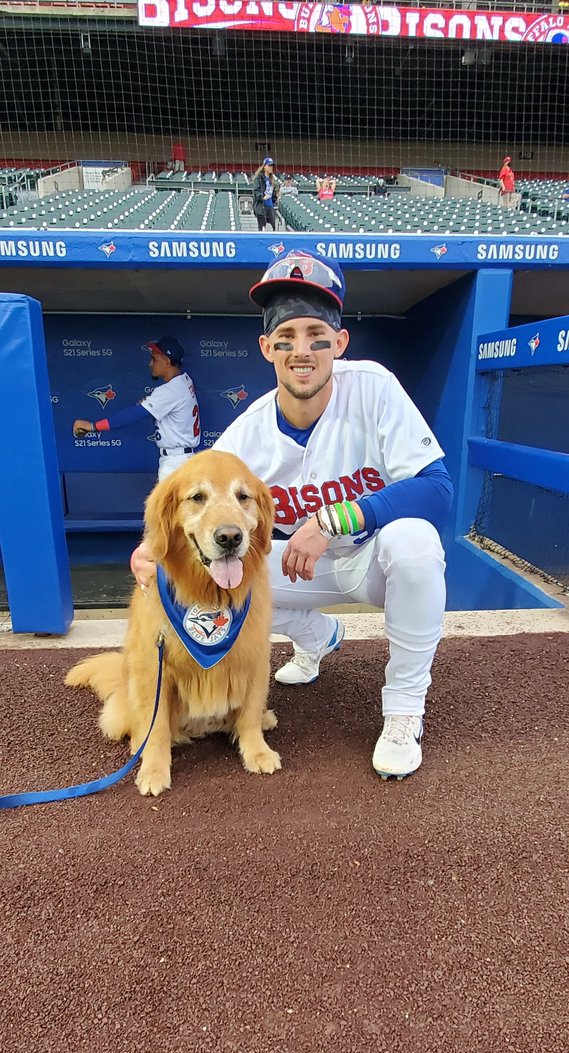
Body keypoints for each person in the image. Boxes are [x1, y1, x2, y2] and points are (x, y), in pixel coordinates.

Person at [131, 251, 453, 781]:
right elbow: (186, 509)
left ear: (340, 342)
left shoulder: (372, 386)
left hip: (371, 559)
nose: (301, 350)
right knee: (225, 577)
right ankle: (317, 636)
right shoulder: (248, 433)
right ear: (267, 348)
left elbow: (438, 491)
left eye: (316, 334)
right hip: (308, 568)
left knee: (416, 543)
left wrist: (334, 520)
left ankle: (402, 711)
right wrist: (146, 553)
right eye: (286, 338)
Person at [73, 335, 201, 481]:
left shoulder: (170, 390)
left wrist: (93, 426)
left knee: (166, 504)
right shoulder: (184, 380)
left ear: (166, 361)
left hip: (175, 463)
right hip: (184, 459)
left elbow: (133, 415)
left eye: (154, 359)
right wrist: (153, 406)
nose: (150, 364)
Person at [252, 158, 280, 231]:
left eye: (272, 166)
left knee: (273, 226)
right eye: (269, 166)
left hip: (270, 205)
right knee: (262, 227)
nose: (271, 168)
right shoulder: (259, 179)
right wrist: (262, 197)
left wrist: (275, 197)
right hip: (261, 206)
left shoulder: (271, 179)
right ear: (264, 166)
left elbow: (272, 193)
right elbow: (256, 191)